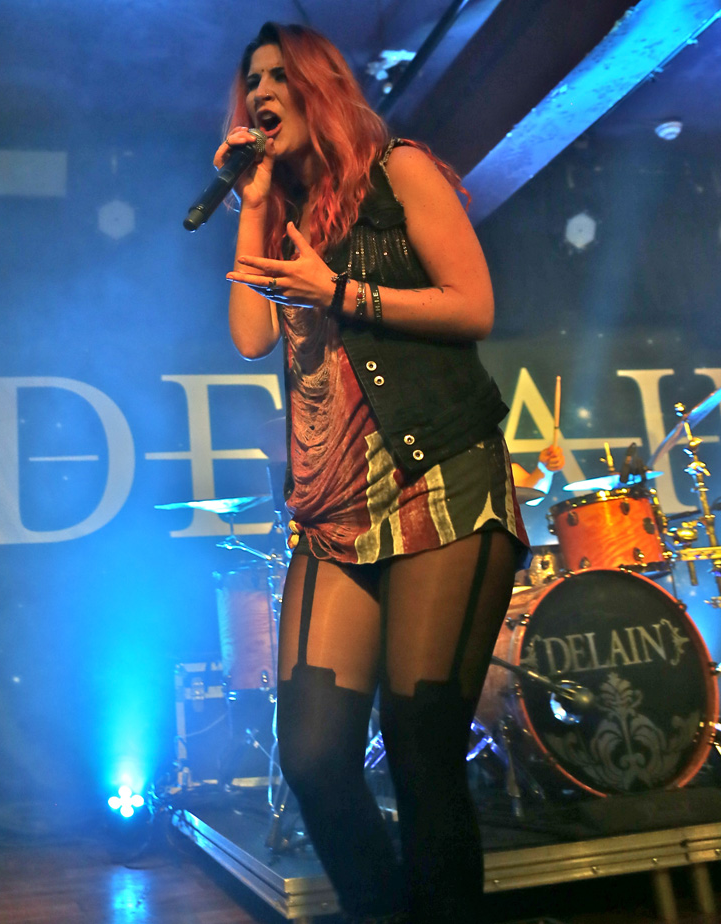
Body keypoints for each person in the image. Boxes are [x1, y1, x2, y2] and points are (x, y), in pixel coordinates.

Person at [217, 22, 530, 924]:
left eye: (279, 76)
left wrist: (341, 293)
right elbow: (249, 336)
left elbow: (474, 304)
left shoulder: (400, 170)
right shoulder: (280, 214)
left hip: (439, 476)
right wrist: (253, 201)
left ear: (319, 85)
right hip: (333, 508)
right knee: (314, 756)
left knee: (420, 741)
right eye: (251, 82)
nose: (261, 92)